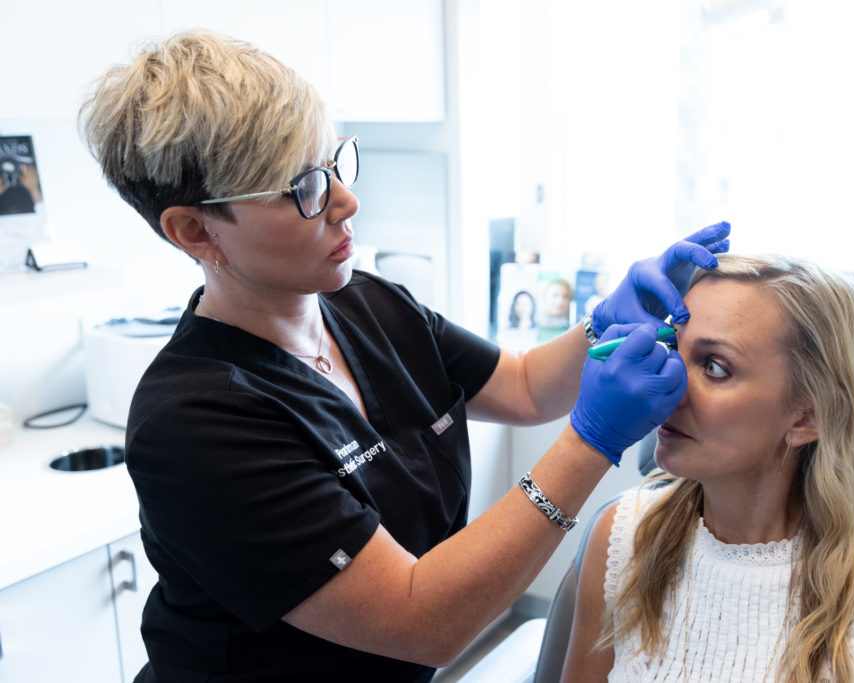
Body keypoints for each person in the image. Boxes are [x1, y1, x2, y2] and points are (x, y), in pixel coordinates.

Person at [77, 30, 731, 682]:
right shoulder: (195, 421)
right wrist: (591, 442)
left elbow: (526, 387)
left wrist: (604, 324)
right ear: (196, 230)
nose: (345, 200)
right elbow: (422, 622)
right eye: (303, 187)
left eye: (335, 163)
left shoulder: (370, 304)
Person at [562, 254, 854, 683]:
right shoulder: (622, 536)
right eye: (671, 349)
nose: (667, 388)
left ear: (809, 416)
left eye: (714, 367)